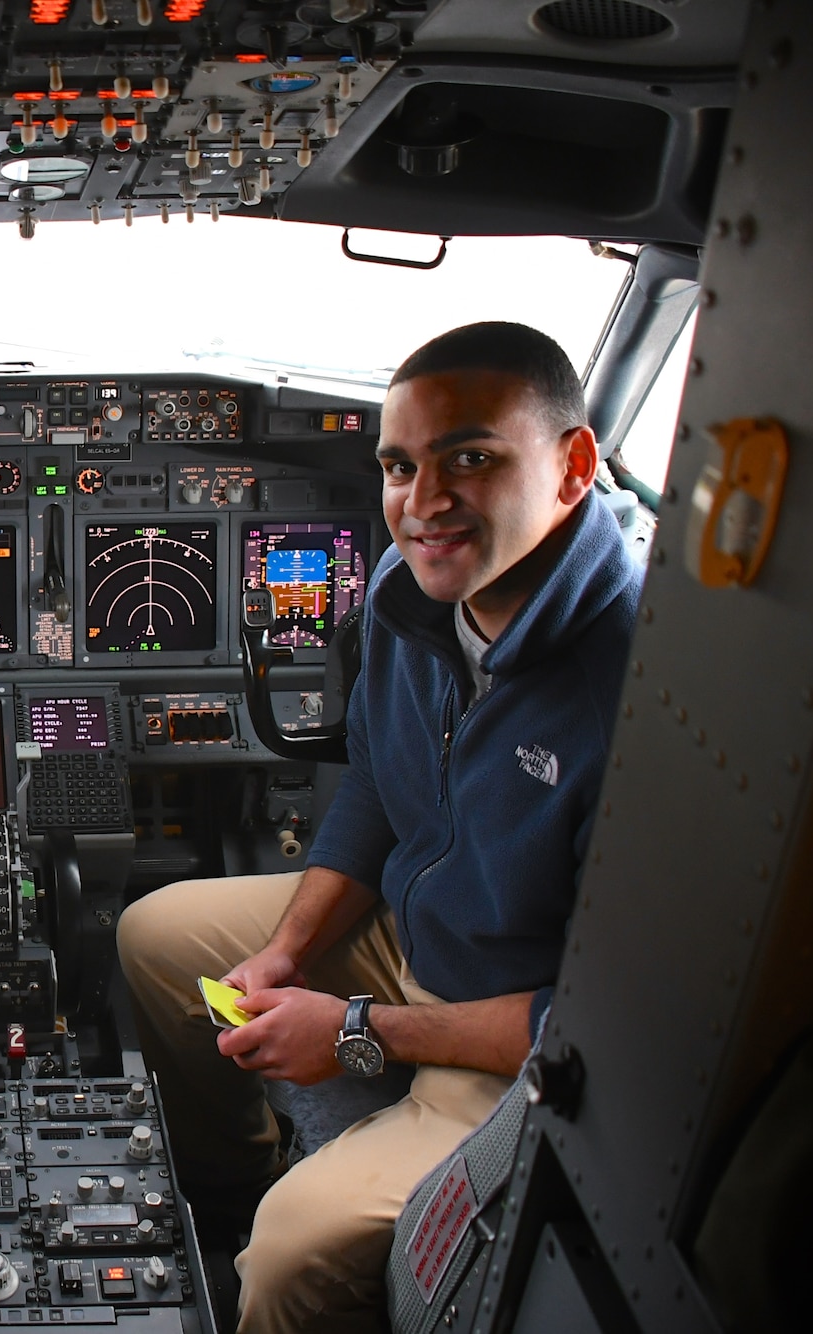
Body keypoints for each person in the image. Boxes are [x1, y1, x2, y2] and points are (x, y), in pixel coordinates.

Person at [118, 322, 641, 1333]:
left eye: (470, 458)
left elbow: (589, 1026)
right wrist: (287, 949)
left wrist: (354, 1032)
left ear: (573, 464)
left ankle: (270, 1233)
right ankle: (225, 1181)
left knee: (281, 1259)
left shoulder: (629, 688)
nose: (422, 501)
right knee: (155, 936)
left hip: (513, 1041)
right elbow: (372, 781)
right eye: (399, 466)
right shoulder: (411, 599)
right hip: (413, 928)